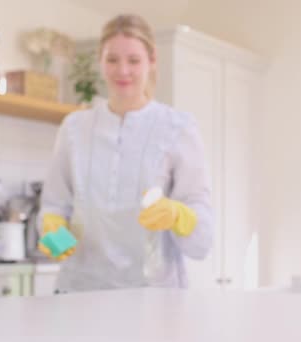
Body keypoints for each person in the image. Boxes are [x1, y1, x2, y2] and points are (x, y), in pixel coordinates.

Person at [38, 14, 213, 292]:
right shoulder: (74, 128)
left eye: (133, 60)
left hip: (153, 295)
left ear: (151, 61)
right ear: (100, 61)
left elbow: (202, 242)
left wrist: (180, 216)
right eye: (112, 60)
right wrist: (52, 226)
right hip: (80, 291)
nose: (123, 71)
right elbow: (54, 205)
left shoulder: (178, 128)